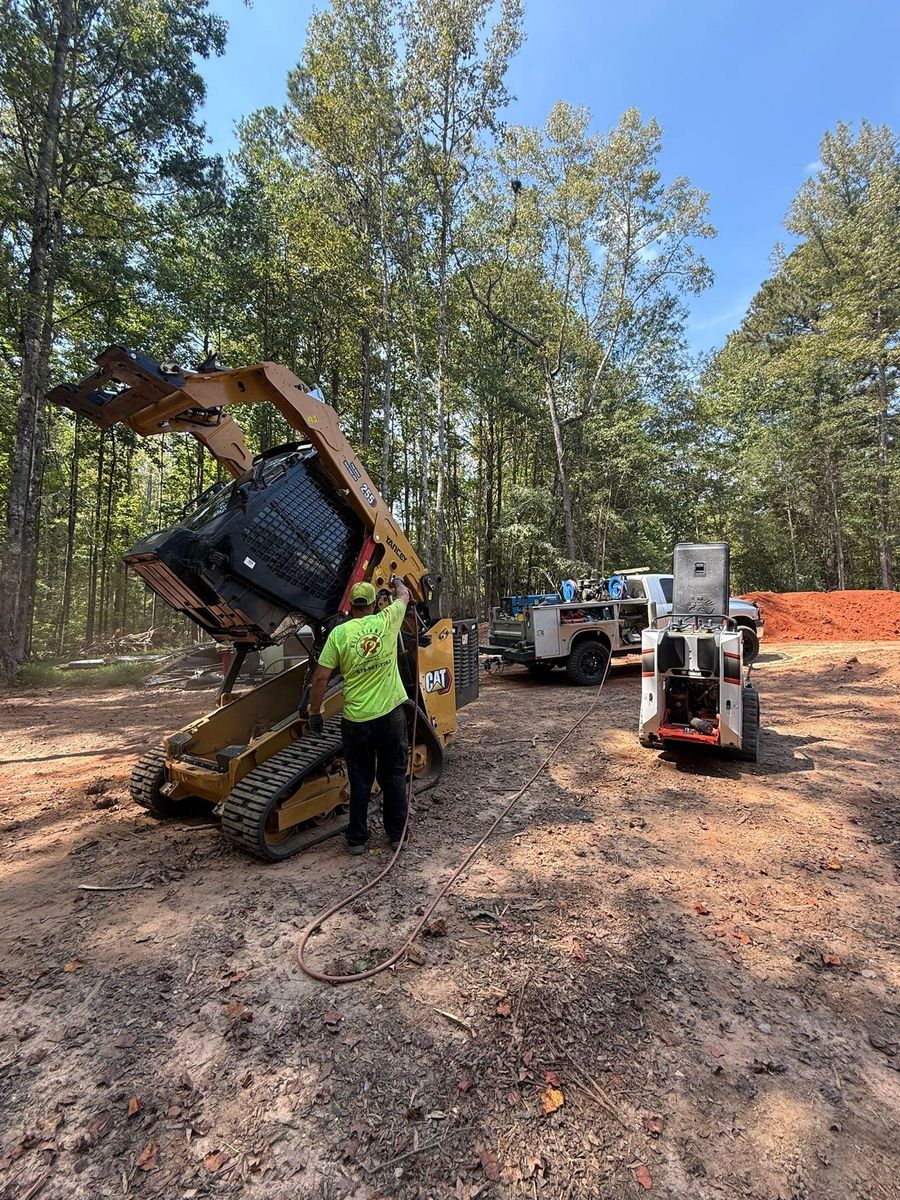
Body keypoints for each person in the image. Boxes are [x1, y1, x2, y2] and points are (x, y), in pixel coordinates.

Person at [306, 577, 412, 854]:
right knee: (394, 776)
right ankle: (397, 836)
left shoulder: (339, 634)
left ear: (351, 606)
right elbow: (404, 596)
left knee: (361, 779)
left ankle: (357, 839)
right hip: (390, 717)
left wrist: (315, 712)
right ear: (375, 604)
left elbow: (320, 678)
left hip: (356, 721)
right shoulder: (388, 619)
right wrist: (397, 581)